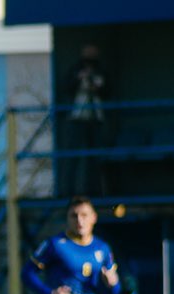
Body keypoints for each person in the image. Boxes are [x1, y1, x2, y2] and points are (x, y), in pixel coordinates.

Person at [63, 44, 108, 196]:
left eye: (93, 52)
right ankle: (68, 191)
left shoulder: (101, 72)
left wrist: (96, 86)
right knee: (72, 156)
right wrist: (79, 79)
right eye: (87, 52)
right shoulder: (75, 71)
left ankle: (95, 190)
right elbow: (67, 87)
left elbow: (107, 91)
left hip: (96, 117)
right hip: (78, 117)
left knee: (95, 157)